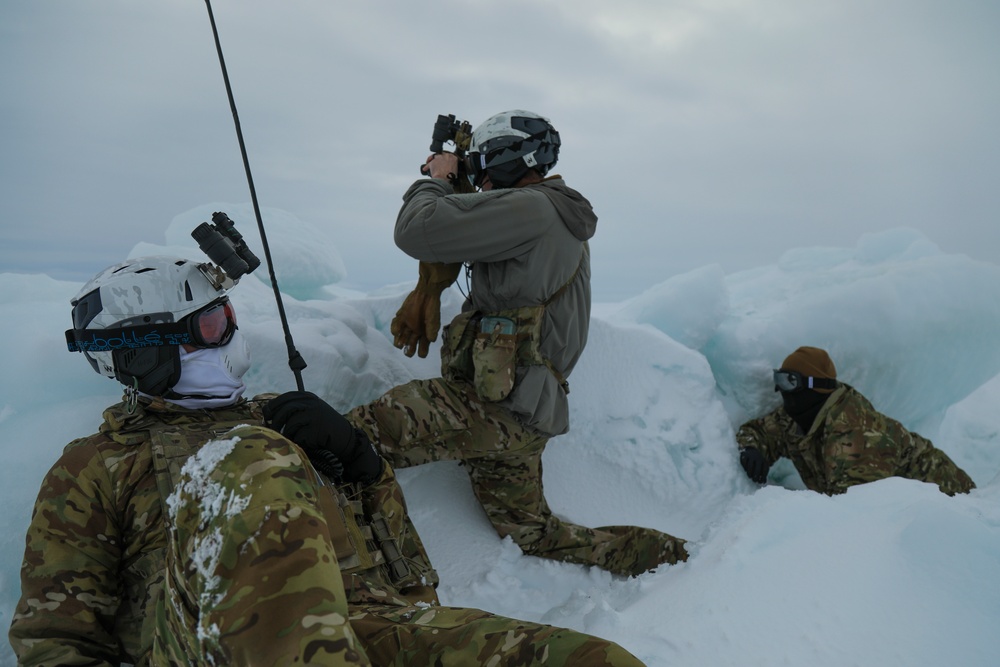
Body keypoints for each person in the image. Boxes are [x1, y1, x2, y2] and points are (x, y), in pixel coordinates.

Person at [9, 254, 645, 666]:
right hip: (206, 651)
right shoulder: (97, 465)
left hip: (366, 630)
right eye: (210, 325)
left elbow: (412, 587)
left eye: (228, 317)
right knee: (252, 457)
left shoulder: (275, 418)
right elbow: (55, 640)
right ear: (143, 349)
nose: (230, 336)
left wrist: (365, 469)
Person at [349, 110, 688, 577]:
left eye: (486, 159)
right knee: (531, 533)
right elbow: (471, 226)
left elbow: (418, 229)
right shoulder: (545, 210)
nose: (481, 172)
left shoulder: (534, 208)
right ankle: (672, 558)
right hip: (522, 415)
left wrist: (437, 180)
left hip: (491, 409)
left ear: (511, 155)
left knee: (349, 439)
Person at [736, 345, 976, 496]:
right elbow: (762, 432)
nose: (782, 390)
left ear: (815, 387)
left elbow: (860, 516)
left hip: (949, 501)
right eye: (779, 380)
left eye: (790, 381)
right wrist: (753, 447)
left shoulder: (854, 436)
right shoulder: (799, 416)